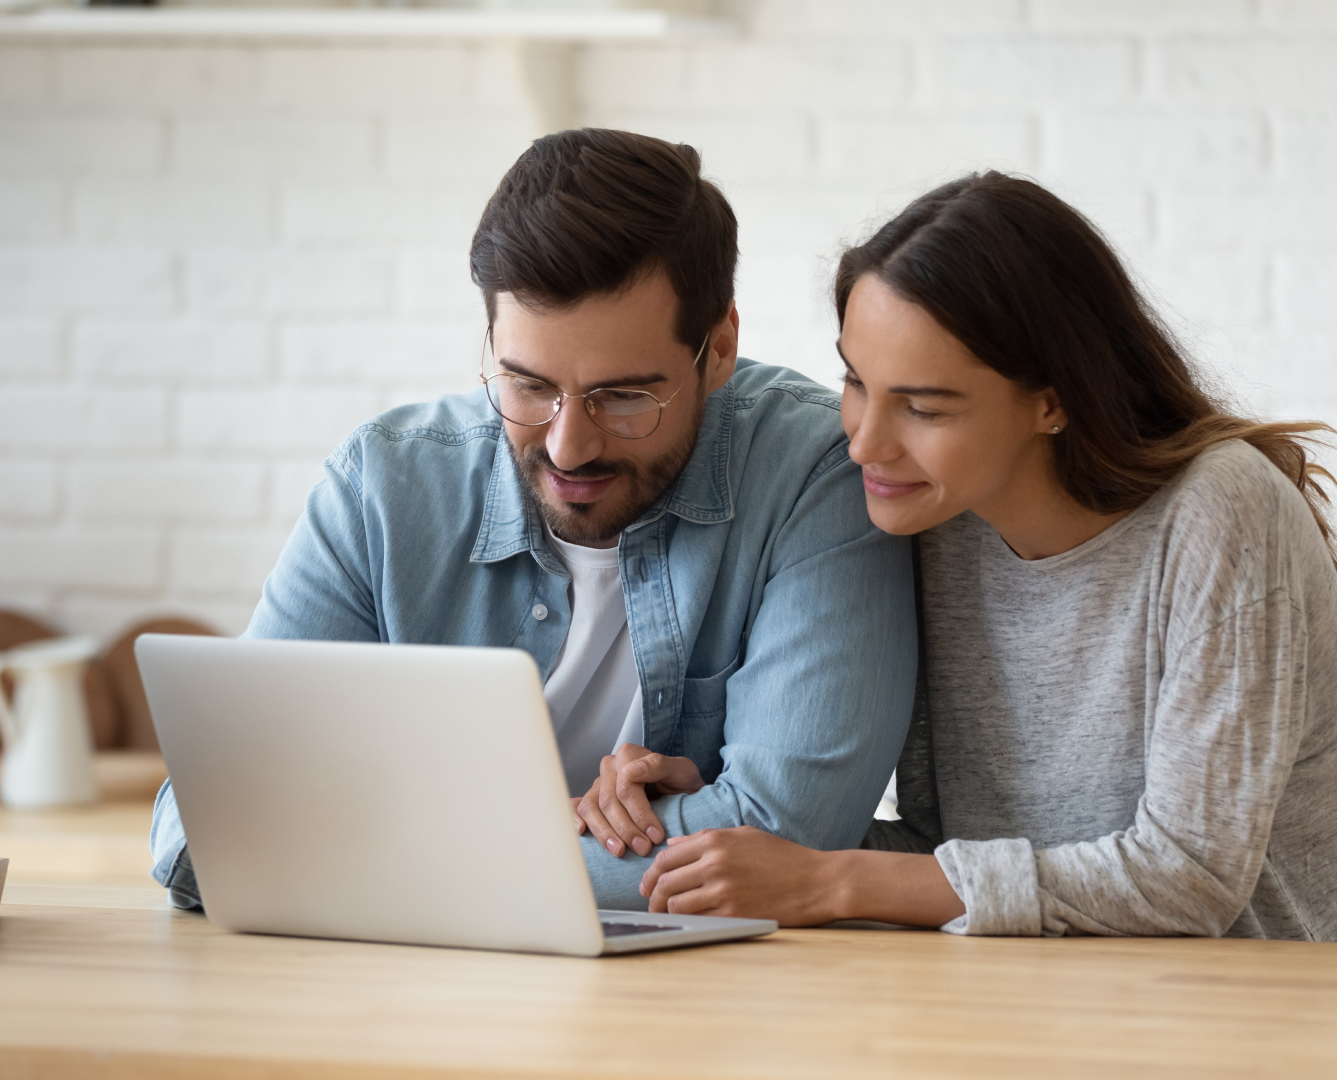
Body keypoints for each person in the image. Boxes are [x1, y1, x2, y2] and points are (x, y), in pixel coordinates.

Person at [150, 129, 917, 912]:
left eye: (623, 397)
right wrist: (547, 839)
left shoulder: (815, 474)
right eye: (526, 385)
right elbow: (203, 829)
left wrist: (380, 852)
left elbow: (789, 835)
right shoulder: (382, 487)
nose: (568, 446)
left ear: (718, 349)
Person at [637, 172, 1337, 939]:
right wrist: (732, 833)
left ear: (1054, 399)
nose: (863, 442)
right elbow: (958, 865)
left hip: (1243, 1017)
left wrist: (835, 877)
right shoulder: (936, 522)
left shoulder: (1222, 511)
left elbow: (1190, 879)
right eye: (856, 381)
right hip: (1023, 1002)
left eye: (925, 406)